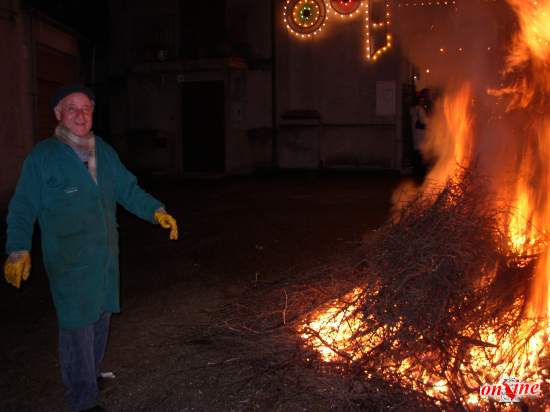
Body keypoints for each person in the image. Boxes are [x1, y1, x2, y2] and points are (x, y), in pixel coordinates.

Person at [3, 85, 179, 412]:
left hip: (104, 258)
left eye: (86, 108)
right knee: (76, 329)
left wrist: (157, 211)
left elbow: (128, 189)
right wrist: (17, 249)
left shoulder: (104, 152)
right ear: (58, 114)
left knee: (101, 318)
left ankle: (90, 374)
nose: (80, 115)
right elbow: (23, 207)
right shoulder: (43, 158)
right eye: (72, 108)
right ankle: (82, 400)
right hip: (69, 262)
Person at [409, 88, 432, 180]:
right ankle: (421, 176)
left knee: (417, 157)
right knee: (421, 158)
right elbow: (422, 124)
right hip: (421, 138)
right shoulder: (419, 110)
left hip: (416, 138)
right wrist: (430, 127)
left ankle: (417, 175)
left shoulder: (413, 110)